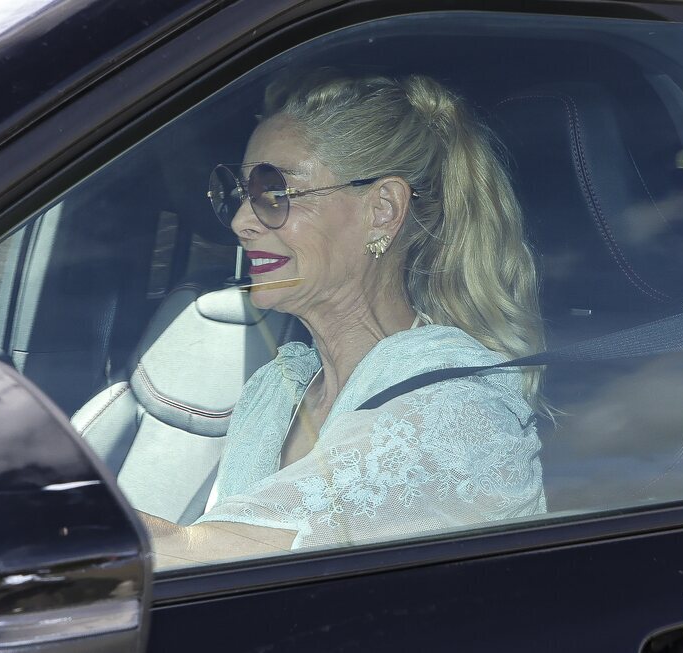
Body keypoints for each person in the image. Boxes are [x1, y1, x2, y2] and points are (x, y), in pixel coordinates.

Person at [140, 71, 547, 565]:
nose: (240, 221)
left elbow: (206, 562)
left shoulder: (454, 417)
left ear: (382, 210)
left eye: (275, 190)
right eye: (240, 192)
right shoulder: (276, 390)